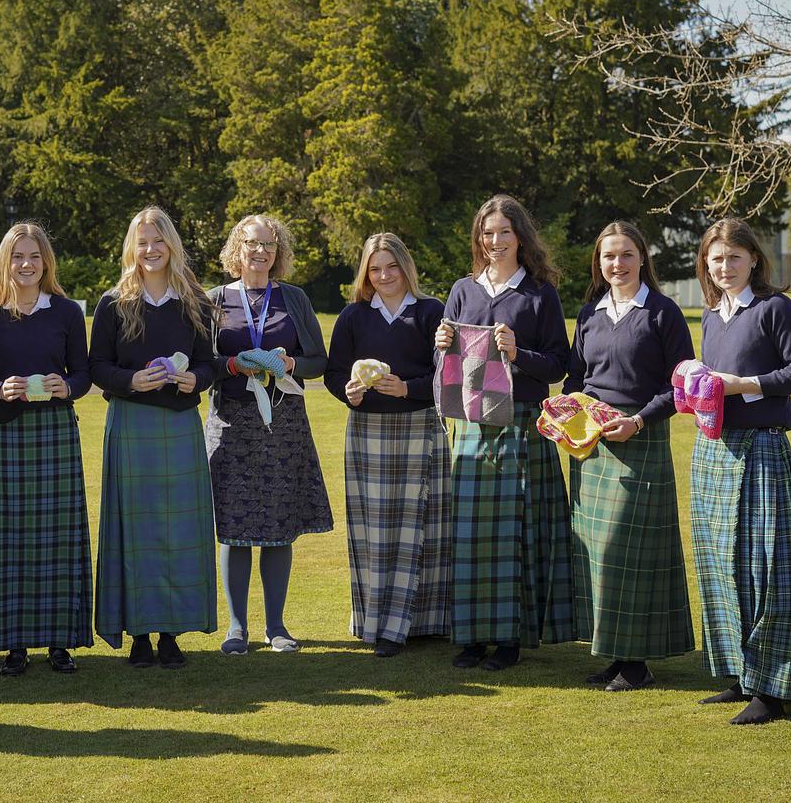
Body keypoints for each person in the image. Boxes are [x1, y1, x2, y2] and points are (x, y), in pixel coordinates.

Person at [690, 218, 791, 725]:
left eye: (734, 257)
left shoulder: (775, 308)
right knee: (724, 568)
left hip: (763, 452)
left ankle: (772, 690)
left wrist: (745, 384)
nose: (725, 267)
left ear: (754, 259)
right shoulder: (712, 315)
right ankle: (742, 676)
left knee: (767, 569)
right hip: (717, 454)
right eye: (716, 259)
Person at [435, 194, 573, 671]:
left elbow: (559, 364)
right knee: (470, 537)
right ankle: (471, 638)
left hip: (522, 421)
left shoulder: (539, 294)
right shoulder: (462, 290)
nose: (494, 241)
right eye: (487, 233)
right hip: (472, 424)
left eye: (504, 233)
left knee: (517, 534)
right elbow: (446, 368)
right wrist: (441, 347)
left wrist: (518, 354)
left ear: (521, 238)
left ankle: (510, 639)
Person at [564, 221, 695, 692]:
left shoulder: (663, 313)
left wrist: (637, 421)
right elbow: (575, 380)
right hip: (592, 445)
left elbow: (681, 387)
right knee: (599, 554)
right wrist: (567, 417)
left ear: (642, 258)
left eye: (624, 255)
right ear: (598, 263)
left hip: (641, 437)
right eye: (607, 257)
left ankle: (638, 664)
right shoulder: (588, 314)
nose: (616, 265)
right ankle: (617, 655)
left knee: (631, 553)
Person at [90, 207, 218, 668]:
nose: (150, 249)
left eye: (158, 240)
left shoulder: (195, 301)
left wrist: (194, 381)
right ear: (132, 247)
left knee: (178, 532)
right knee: (136, 531)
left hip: (181, 425)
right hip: (130, 423)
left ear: (171, 245)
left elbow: (209, 363)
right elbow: (96, 366)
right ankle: (139, 633)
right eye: (142, 241)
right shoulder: (113, 303)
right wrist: (130, 382)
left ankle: (170, 633)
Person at [0, 222, 94, 676]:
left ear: (46, 262)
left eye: (34, 256)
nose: (26, 264)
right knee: (7, 540)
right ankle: (13, 643)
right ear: (5, 261)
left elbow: (84, 373)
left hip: (55, 430)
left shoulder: (65, 311)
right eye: (17, 256)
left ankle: (60, 642)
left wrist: (67, 386)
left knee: (58, 537)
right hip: (5, 432)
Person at [206, 214, 333, 655]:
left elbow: (320, 360)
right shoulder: (215, 300)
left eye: (269, 245)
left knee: (280, 525)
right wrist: (233, 365)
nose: (261, 252)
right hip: (231, 426)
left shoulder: (293, 299)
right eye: (252, 243)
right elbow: (204, 367)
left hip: (284, 425)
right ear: (235, 249)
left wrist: (292, 363)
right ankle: (236, 628)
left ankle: (276, 626)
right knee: (235, 529)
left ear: (278, 252)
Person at [323, 233, 450, 657]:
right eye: (375, 269)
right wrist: (349, 393)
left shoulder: (432, 311)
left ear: (405, 266)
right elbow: (334, 373)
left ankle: (423, 623)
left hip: (420, 427)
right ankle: (378, 623)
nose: (384, 276)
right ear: (366, 273)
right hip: (367, 433)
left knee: (424, 526)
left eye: (391, 267)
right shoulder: (354, 316)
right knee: (374, 533)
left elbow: (447, 374)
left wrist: (407, 388)